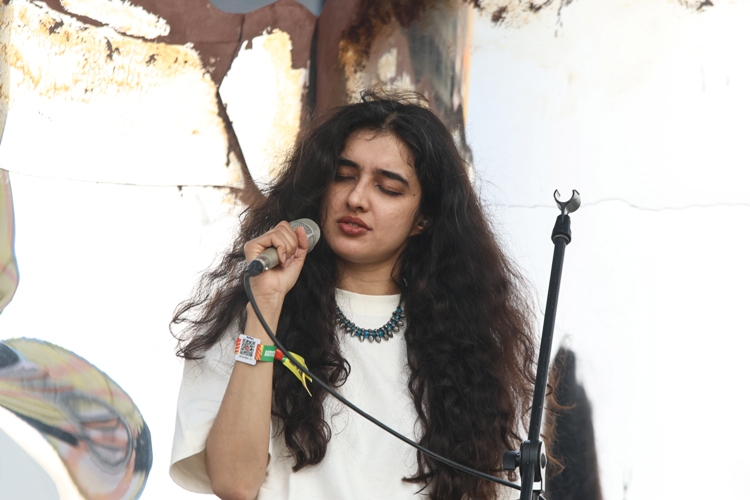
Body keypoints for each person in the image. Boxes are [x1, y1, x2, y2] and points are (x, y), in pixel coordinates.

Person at [169, 91, 537, 500]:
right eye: (343, 176)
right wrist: (266, 307)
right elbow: (234, 483)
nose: (356, 198)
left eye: (388, 188)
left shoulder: (471, 347)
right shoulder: (254, 309)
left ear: (424, 218)